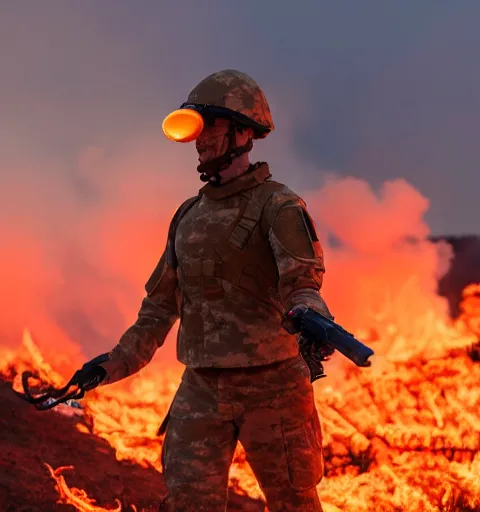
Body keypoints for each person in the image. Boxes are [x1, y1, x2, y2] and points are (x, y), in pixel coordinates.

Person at [83, 70, 333, 511]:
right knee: (187, 503)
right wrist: (109, 366)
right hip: (202, 387)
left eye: (208, 128)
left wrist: (311, 317)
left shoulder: (278, 206)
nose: (198, 142)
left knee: (294, 502)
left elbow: (303, 283)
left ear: (243, 132)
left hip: (273, 388)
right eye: (193, 130)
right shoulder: (188, 216)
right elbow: (159, 308)